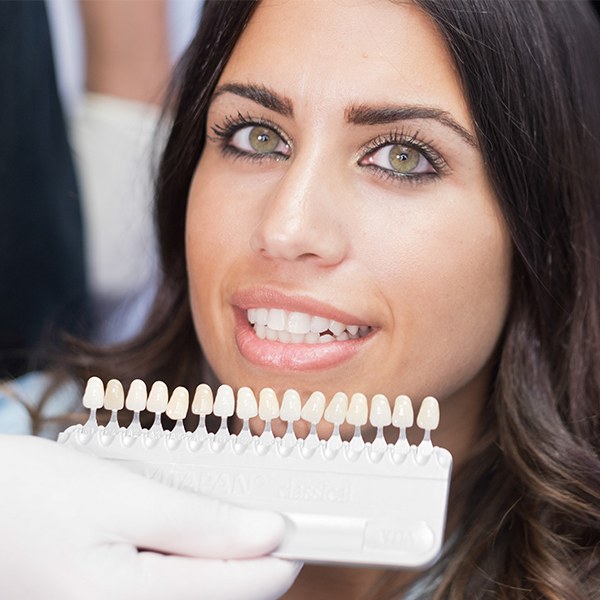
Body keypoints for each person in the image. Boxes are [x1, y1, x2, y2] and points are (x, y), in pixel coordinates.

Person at [1, 0, 600, 598]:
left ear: (546, 233)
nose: (286, 229)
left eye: (402, 157)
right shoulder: (23, 462)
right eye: (257, 137)